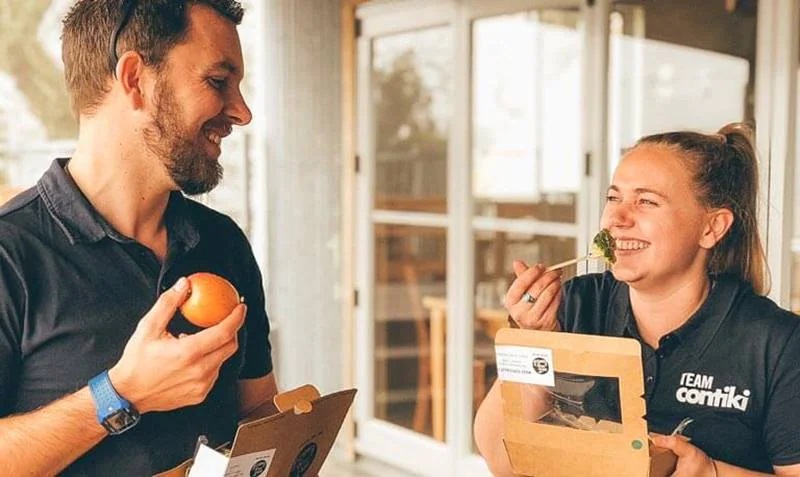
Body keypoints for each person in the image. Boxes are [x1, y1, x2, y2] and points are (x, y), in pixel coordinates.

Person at [0, 1, 278, 475]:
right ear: (135, 79)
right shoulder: (11, 255)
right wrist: (121, 393)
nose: (242, 112)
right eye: (217, 81)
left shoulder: (223, 241)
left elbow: (258, 410)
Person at [474, 123, 800, 476]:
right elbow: (502, 462)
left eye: (646, 201)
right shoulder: (574, 304)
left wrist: (711, 473)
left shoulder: (778, 344)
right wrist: (533, 340)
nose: (616, 219)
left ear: (712, 228)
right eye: (614, 198)